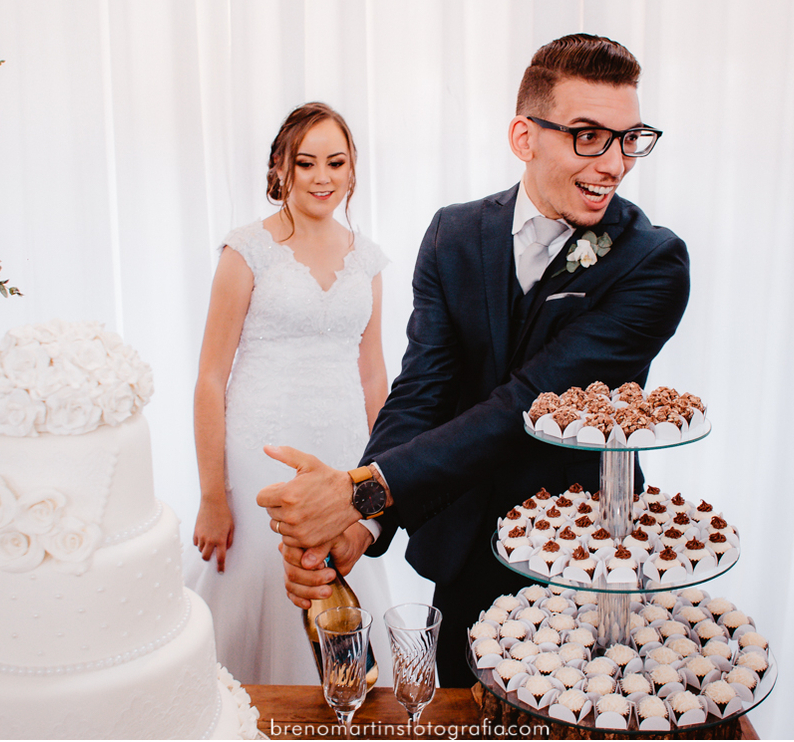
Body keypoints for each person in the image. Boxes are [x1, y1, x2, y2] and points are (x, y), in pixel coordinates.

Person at [257, 34, 691, 685]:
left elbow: (527, 406)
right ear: (525, 136)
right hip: (461, 554)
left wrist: (357, 490)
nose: (614, 163)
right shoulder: (452, 234)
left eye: (629, 138)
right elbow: (422, 391)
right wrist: (365, 525)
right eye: (589, 136)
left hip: (579, 564)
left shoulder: (653, 262)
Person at [184, 102, 395, 686]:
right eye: (306, 163)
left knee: (342, 589)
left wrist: (385, 475)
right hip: (260, 456)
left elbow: (374, 376)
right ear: (281, 168)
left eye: (336, 162)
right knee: (257, 588)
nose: (322, 177)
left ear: (353, 171)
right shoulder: (246, 250)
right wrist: (212, 495)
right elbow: (209, 377)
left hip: (345, 455)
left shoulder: (369, 261)